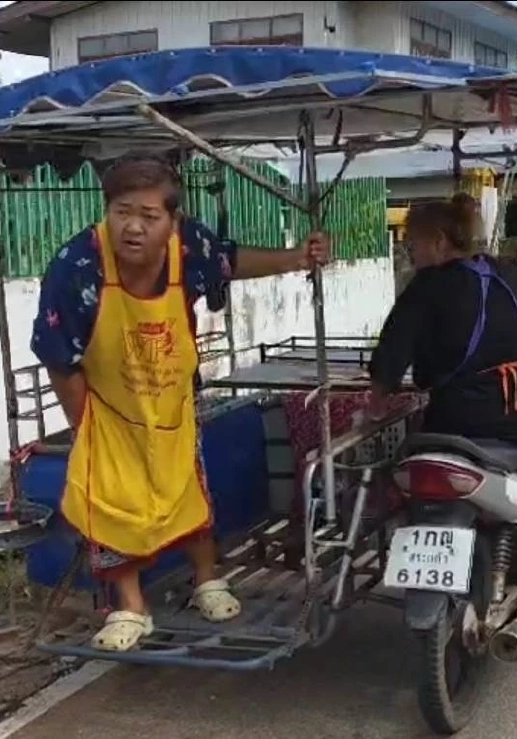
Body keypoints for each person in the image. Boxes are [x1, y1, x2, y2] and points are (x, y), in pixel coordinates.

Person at [30, 154, 331, 651]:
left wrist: (298, 256)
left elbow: (230, 261)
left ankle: (207, 580)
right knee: (110, 503)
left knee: (188, 491)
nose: (133, 227)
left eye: (149, 216)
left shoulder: (189, 247)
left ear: (173, 222)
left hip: (170, 403)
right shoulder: (75, 266)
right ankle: (130, 606)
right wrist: (86, 427)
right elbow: (60, 358)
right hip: (106, 407)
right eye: (122, 211)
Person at [364, 194, 517, 596]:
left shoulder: (424, 288)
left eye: (413, 245)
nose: (410, 254)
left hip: (453, 420)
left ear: (440, 242)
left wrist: (373, 411)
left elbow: (389, 356)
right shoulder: (516, 272)